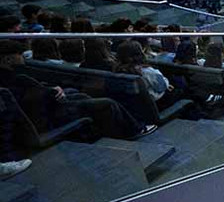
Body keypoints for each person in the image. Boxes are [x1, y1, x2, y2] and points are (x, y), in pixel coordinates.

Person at [0, 40, 152, 139]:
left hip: (49, 105)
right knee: (107, 103)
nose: (23, 57)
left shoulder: (13, 74)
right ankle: (134, 130)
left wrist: (52, 89)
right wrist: (51, 92)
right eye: (19, 55)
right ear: (8, 59)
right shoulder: (11, 79)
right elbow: (28, 98)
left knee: (79, 94)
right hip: (48, 113)